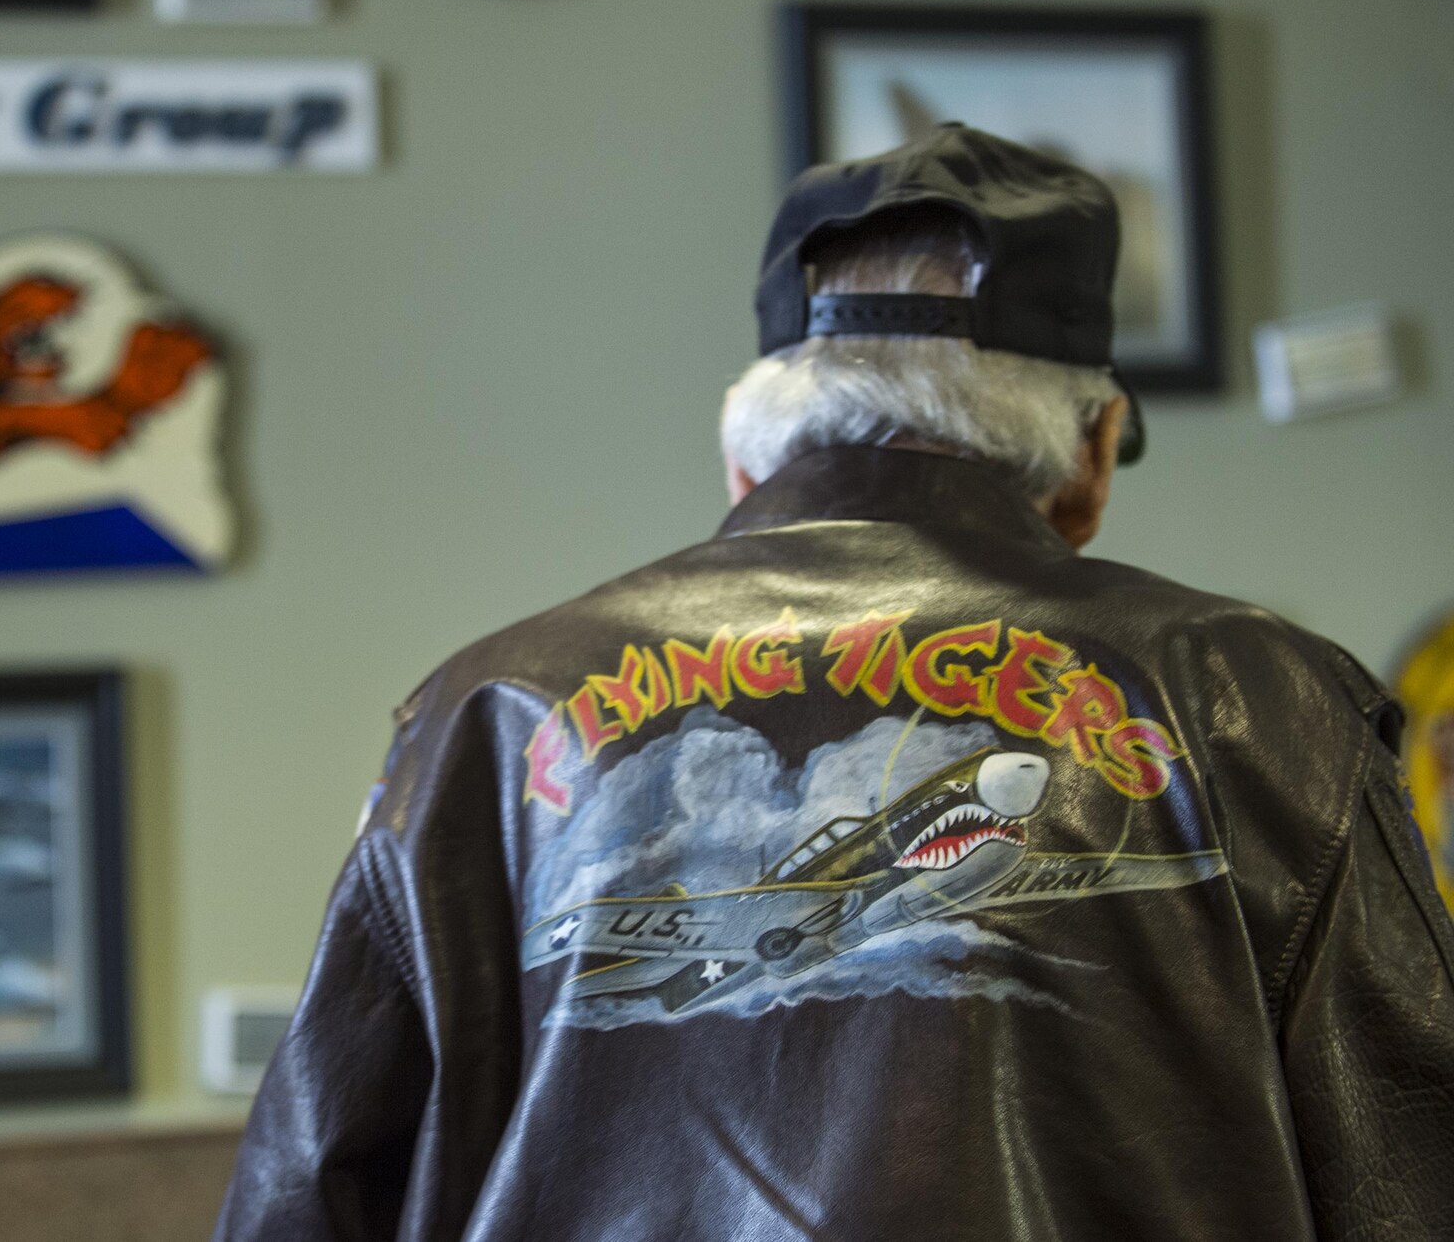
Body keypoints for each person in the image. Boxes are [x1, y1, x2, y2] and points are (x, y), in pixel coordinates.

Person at [213, 124, 1454, 1240]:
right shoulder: (1262, 691)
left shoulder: (484, 707)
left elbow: (313, 1185)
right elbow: (1412, 1161)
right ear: (1087, 457)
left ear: (741, 452)